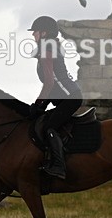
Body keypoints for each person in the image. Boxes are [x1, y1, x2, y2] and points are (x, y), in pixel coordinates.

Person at [28, 15, 83, 179]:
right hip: (66, 96)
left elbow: (49, 83)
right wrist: (41, 106)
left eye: (35, 32)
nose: (33, 35)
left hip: (69, 98)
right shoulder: (49, 47)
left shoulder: (46, 49)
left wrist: (37, 104)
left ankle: (59, 166)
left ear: (44, 33)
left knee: (49, 128)